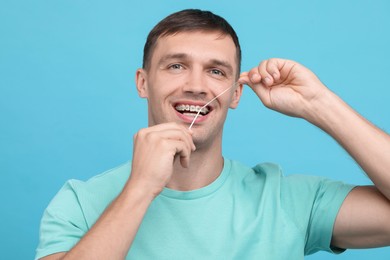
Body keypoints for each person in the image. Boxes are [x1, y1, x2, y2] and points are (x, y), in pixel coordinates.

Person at [35, 9, 390, 260]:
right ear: (143, 83)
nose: (196, 86)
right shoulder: (79, 204)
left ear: (235, 94)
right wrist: (141, 189)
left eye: (216, 72)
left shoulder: (288, 200)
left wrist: (319, 103)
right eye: (176, 66)